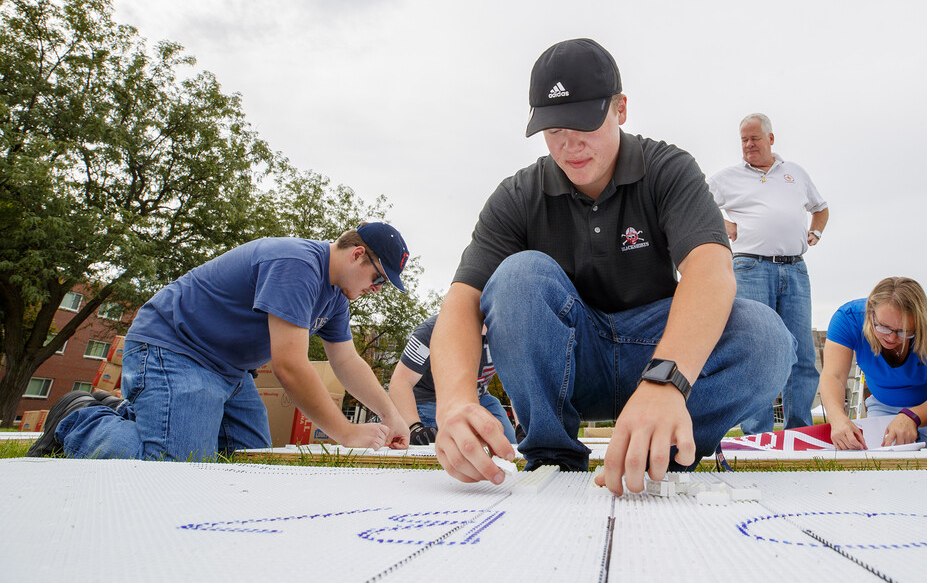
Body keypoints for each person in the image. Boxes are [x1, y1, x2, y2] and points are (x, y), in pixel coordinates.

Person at [429, 38, 795, 496]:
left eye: (585, 122)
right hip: (572, 357)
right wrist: (454, 403)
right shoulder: (518, 195)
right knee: (517, 276)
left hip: (659, 350)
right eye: (554, 127)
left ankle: (663, 450)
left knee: (766, 336)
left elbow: (710, 270)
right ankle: (553, 457)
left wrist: (666, 380)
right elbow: (460, 303)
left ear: (620, 108)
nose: (570, 144)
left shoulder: (669, 169)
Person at [29, 222, 413, 460]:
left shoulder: (335, 295)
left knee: (250, 461)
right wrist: (345, 431)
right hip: (174, 350)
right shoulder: (297, 264)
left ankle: (132, 415)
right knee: (175, 466)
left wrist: (392, 415)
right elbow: (290, 366)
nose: (376, 290)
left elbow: (347, 363)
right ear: (357, 254)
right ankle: (81, 419)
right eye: (378, 279)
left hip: (228, 371)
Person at [707, 113, 829, 433]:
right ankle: (757, 436)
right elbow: (694, 202)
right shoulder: (727, 178)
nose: (748, 145)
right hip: (750, 268)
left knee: (801, 353)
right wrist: (723, 224)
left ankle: (800, 433)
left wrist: (816, 233)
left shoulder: (795, 174)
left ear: (770, 139)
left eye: (755, 139)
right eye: (744, 140)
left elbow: (821, 208)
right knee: (757, 352)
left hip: (795, 270)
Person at [818, 277, 927, 450]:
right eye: (883, 327)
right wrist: (838, 418)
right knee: (879, 455)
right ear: (870, 310)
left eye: (903, 331)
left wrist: (911, 416)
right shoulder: (848, 319)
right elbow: (833, 376)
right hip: (883, 405)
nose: (891, 338)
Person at [388, 314, 516, 445]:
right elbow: (400, 382)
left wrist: (523, 428)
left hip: (480, 397)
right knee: (446, 444)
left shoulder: (511, 335)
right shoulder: (431, 331)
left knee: (510, 445)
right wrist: (414, 427)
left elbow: (517, 387)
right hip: (431, 399)